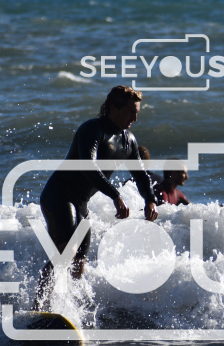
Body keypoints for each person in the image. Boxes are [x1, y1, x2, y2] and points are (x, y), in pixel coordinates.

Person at [35, 86, 158, 310]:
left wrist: (150, 200)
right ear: (113, 108)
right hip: (59, 195)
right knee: (66, 254)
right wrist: (115, 195)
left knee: (78, 265)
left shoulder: (129, 141)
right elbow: (88, 167)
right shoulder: (92, 129)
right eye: (131, 112)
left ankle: (69, 311)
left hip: (81, 204)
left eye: (137, 112)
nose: (135, 118)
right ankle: (37, 308)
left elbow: (141, 176)